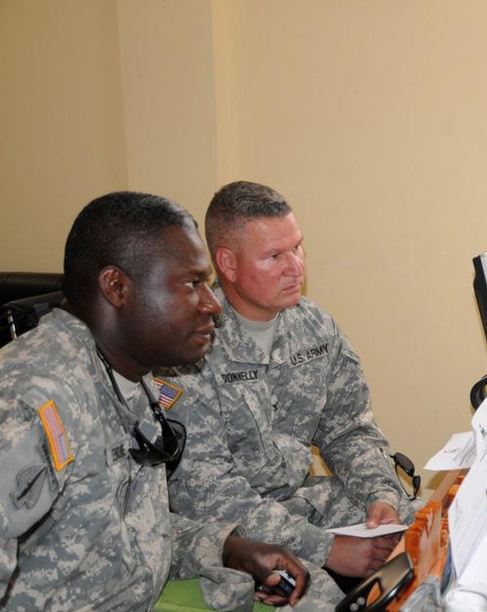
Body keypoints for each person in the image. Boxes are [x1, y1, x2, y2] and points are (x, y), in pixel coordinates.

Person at [0, 192, 336, 612]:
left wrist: (228, 547)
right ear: (117, 288)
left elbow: (130, 531)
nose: (213, 305)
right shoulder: (32, 399)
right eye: (191, 284)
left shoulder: (128, 374)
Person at [163, 181, 414, 589]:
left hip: (302, 504)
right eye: (274, 256)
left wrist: (381, 496)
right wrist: (324, 549)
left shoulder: (314, 327)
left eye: (297, 248)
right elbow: (205, 492)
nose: (296, 267)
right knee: (323, 605)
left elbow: (349, 429)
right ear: (227, 264)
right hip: (232, 537)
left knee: (419, 536)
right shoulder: (189, 346)